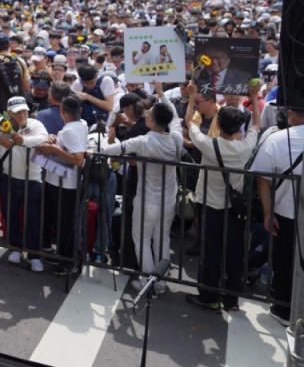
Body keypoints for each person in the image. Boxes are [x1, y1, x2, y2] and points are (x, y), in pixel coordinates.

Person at [185, 81, 261, 312]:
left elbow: (189, 123)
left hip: (209, 206)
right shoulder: (245, 147)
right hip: (234, 209)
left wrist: (191, 97)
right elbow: (257, 123)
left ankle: (209, 296)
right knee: (235, 253)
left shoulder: (209, 145)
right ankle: (231, 299)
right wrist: (254, 97)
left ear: (217, 123)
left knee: (211, 251)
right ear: (239, 128)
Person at [100, 101, 182, 292]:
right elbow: (176, 117)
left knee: (142, 241)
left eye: (149, 113)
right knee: (163, 240)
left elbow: (110, 150)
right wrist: (162, 95)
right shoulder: (176, 138)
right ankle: (160, 282)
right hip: (168, 200)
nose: (146, 114)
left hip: (147, 200)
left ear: (152, 120)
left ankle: (147, 282)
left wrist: (109, 140)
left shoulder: (144, 141)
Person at [0, 96, 49, 271]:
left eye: (24, 110)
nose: (22, 115)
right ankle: (15, 248)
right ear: (9, 113)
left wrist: (23, 140)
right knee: (10, 215)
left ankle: (34, 255)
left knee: (33, 219)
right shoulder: (1, 123)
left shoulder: (35, 124)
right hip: (8, 177)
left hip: (33, 179)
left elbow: (43, 138)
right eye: (18, 112)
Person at [250, 105, 304, 326]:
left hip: (285, 212)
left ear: (291, 114)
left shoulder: (278, 139)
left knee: (284, 262)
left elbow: (263, 177)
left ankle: (283, 310)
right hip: (288, 212)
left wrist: (267, 211)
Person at [35, 95, 87, 275]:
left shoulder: (71, 130)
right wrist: (55, 141)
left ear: (63, 112)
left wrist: (54, 148)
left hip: (64, 183)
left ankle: (67, 263)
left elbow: (78, 159)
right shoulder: (82, 125)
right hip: (63, 181)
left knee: (64, 225)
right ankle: (66, 259)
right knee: (64, 223)